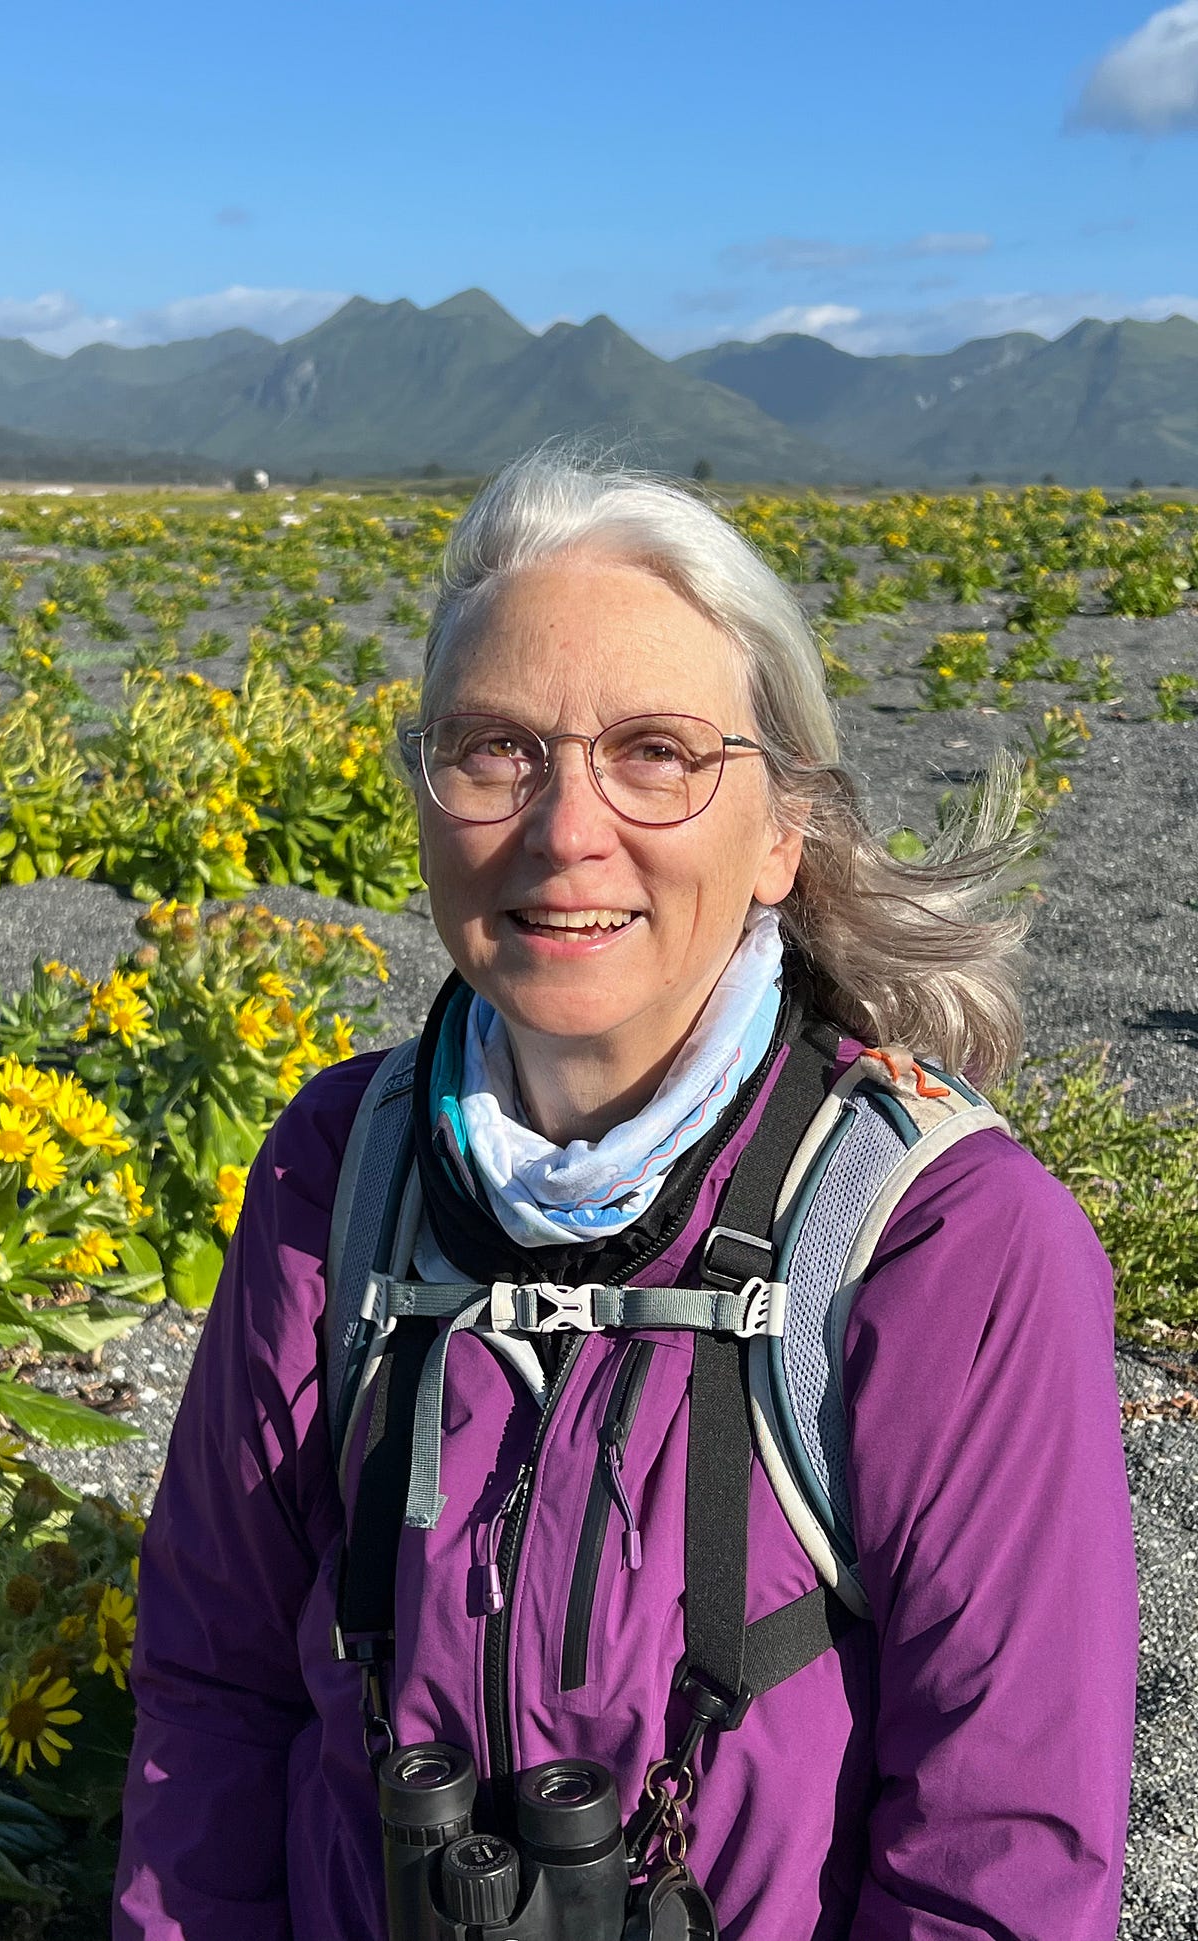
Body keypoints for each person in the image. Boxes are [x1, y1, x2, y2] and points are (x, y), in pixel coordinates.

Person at [114, 450, 1138, 1940]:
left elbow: (1002, 1861)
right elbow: (212, 1693)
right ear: (423, 801)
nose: (565, 829)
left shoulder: (949, 1244)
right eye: (494, 750)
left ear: (782, 829)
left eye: (657, 752)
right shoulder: (336, 1169)